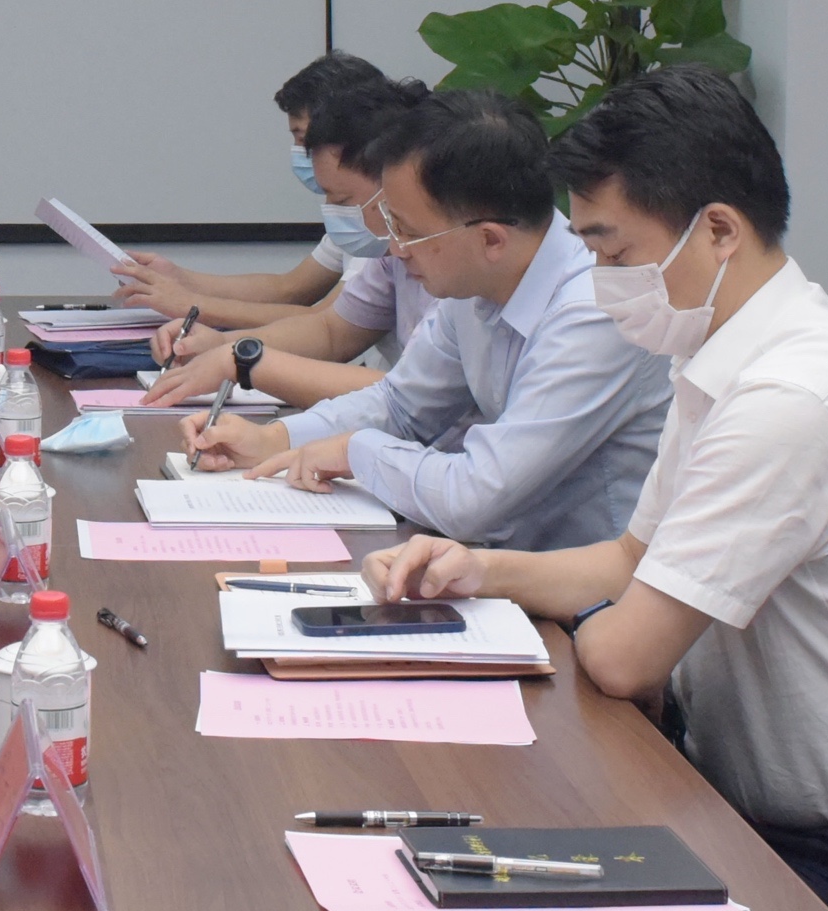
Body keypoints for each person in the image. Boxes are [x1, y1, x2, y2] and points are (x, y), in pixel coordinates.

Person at [362, 68, 828, 911]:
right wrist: (477, 569)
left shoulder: (789, 398)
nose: (600, 280)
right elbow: (630, 558)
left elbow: (627, 656)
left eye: (614, 253)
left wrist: (598, 611)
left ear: (719, 230)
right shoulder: (723, 353)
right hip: (760, 808)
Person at [186, 90, 667, 556]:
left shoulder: (592, 313)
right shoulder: (475, 280)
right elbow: (400, 405)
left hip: (589, 594)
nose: (395, 249)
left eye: (408, 231)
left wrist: (356, 451)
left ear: (491, 240)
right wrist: (272, 440)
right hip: (500, 565)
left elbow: (476, 497)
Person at [142, 73, 429, 407]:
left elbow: (410, 393)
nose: (331, 209)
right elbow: (331, 330)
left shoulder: (444, 263)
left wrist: (244, 361)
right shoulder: (389, 253)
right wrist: (222, 346)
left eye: (341, 199)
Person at [109, 50, 388, 325]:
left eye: (305, 140)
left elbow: (327, 323)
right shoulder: (354, 215)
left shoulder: (380, 225)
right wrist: (179, 279)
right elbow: (289, 288)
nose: (302, 154)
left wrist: (190, 305)